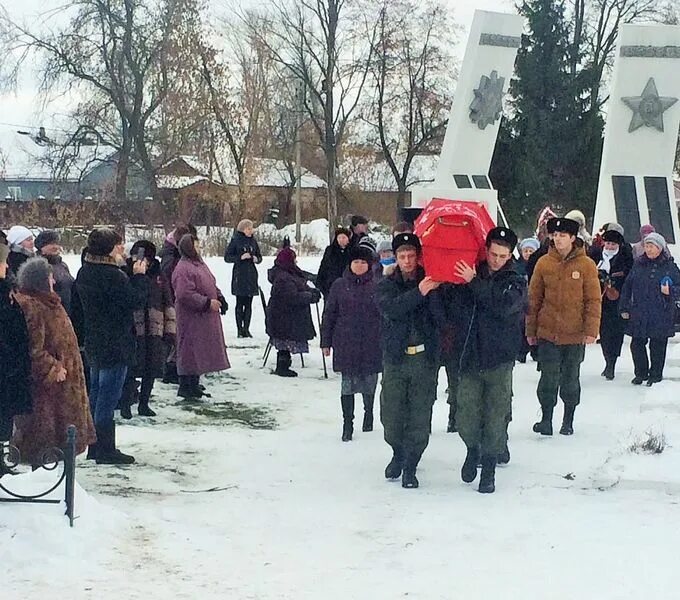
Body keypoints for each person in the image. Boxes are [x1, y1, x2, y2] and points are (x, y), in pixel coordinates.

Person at [439, 227, 526, 493]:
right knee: (466, 414)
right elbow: (451, 308)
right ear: (485, 250)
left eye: (503, 255)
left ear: (510, 255)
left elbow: (502, 306)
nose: (497, 260)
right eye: (493, 253)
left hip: (498, 359)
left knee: (495, 415)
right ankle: (471, 449)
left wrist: (474, 282)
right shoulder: (470, 273)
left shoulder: (516, 280)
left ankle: (488, 468)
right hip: (469, 357)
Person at [12, 258, 95, 466]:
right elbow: (32, 348)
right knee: (44, 441)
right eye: (49, 276)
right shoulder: (32, 305)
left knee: (62, 441)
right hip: (48, 389)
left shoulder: (50, 302)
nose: (53, 280)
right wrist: (53, 367)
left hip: (63, 387)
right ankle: (41, 483)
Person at [76, 228, 149, 464]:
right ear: (109, 248)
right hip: (115, 342)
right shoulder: (112, 275)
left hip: (95, 340)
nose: (122, 249)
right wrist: (138, 277)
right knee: (108, 395)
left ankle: (95, 446)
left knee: (97, 393)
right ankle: (105, 449)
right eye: (118, 245)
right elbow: (133, 301)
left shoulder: (86, 271)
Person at [526, 217, 601, 436]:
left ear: (572, 238)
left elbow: (593, 300)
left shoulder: (586, 265)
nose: (558, 240)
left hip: (574, 334)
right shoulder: (543, 263)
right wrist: (530, 331)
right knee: (548, 378)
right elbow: (533, 300)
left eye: (562, 236)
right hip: (548, 333)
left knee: (570, 378)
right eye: (555, 235)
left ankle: (568, 419)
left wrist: (591, 330)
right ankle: (546, 419)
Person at [378, 233, 440, 489]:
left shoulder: (432, 281)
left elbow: (441, 317)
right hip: (396, 358)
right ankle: (397, 451)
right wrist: (419, 292)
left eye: (411, 256)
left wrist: (433, 289)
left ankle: (411, 464)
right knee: (391, 415)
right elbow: (392, 309)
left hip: (423, 359)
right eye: (402, 256)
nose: (407, 261)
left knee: (419, 414)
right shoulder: (386, 283)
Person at [321, 245, 382, 441]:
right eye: (356, 262)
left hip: (372, 341)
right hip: (346, 341)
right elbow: (329, 313)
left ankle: (368, 412)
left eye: (363, 262)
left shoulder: (378, 285)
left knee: (369, 382)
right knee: (347, 385)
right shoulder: (339, 285)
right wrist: (326, 341)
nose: (359, 265)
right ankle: (348, 423)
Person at [120, 240, 176, 417]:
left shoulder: (159, 276)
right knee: (131, 368)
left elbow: (168, 302)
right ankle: (126, 404)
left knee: (151, 367)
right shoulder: (125, 273)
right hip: (133, 329)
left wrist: (170, 329)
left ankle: (144, 403)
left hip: (155, 327)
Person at [172, 234, 230, 399]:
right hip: (191, 316)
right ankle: (185, 384)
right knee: (189, 349)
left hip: (204, 316)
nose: (199, 248)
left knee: (200, 350)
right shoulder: (183, 268)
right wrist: (205, 303)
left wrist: (219, 298)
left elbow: (211, 282)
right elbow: (184, 294)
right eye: (196, 246)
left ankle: (194, 382)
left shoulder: (200, 264)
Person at [620, 232, 680, 386]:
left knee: (658, 345)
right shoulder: (638, 264)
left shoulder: (670, 266)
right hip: (640, 312)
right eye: (647, 246)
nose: (649, 249)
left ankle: (655, 374)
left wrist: (670, 291)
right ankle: (641, 372)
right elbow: (628, 286)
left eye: (652, 246)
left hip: (661, 312)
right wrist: (624, 306)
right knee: (637, 344)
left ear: (660, 248)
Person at [0, 243, 32, 476]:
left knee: (5, 418)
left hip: (9, 368)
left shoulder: (7, 291)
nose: (6, 266)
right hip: (5, 366)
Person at [266, 245, 321, 377]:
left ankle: (284, 364)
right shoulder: (283, 277)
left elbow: (300, 287)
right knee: (285, 338)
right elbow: (292, 297)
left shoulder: (288, 273)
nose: (296, 262)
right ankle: (283, 366)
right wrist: (311, 296)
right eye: (294, 259)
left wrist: (311, 291)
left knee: (286, 335)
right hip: (284, 318)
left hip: (284, 315)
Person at [591, 227, 634, 380]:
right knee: (603, 331)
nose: (609, 247)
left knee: (615, 332)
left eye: (613, 245)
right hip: (598, 299)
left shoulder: (625, 258)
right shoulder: (595, 255)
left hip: (617, 300)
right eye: (608, 244)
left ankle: (612, 363)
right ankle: (607, 359)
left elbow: (629, 279)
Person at [159, 223, 197, 384]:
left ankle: (174, 368)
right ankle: (170, 370)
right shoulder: (172, 258)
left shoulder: (173, 255)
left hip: (174, 300)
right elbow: (168, 279)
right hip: (173, 301)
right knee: (175, 337)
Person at [224, 219, 262, 338]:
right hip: (240, 275)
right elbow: (227, 257)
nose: (251, 231)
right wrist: (240, 257)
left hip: (251, 275)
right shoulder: (236, 240)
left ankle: (247, 328)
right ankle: (239, 329)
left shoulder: (253, 241)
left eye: (251, 228)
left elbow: (259, 256)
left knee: (249, 304)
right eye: (249, 228)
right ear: (243, 229)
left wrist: (257, 259)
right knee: (240, 303)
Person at [35, 230, 76, 316]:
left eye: (57, 243)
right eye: (51, 243)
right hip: (52, 315)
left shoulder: (62, 265)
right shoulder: (38, 267)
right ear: (41, 247)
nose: (55, 246)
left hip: (68, 312)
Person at [316, 227, 352, 298]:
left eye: (344, 237)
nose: (341, 240)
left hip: (348, 287)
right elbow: (323, 266)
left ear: (348, 239)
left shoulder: (352, 251)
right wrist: (320, 284)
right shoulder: (330, 250)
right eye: (339, 237)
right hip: (330, 286)